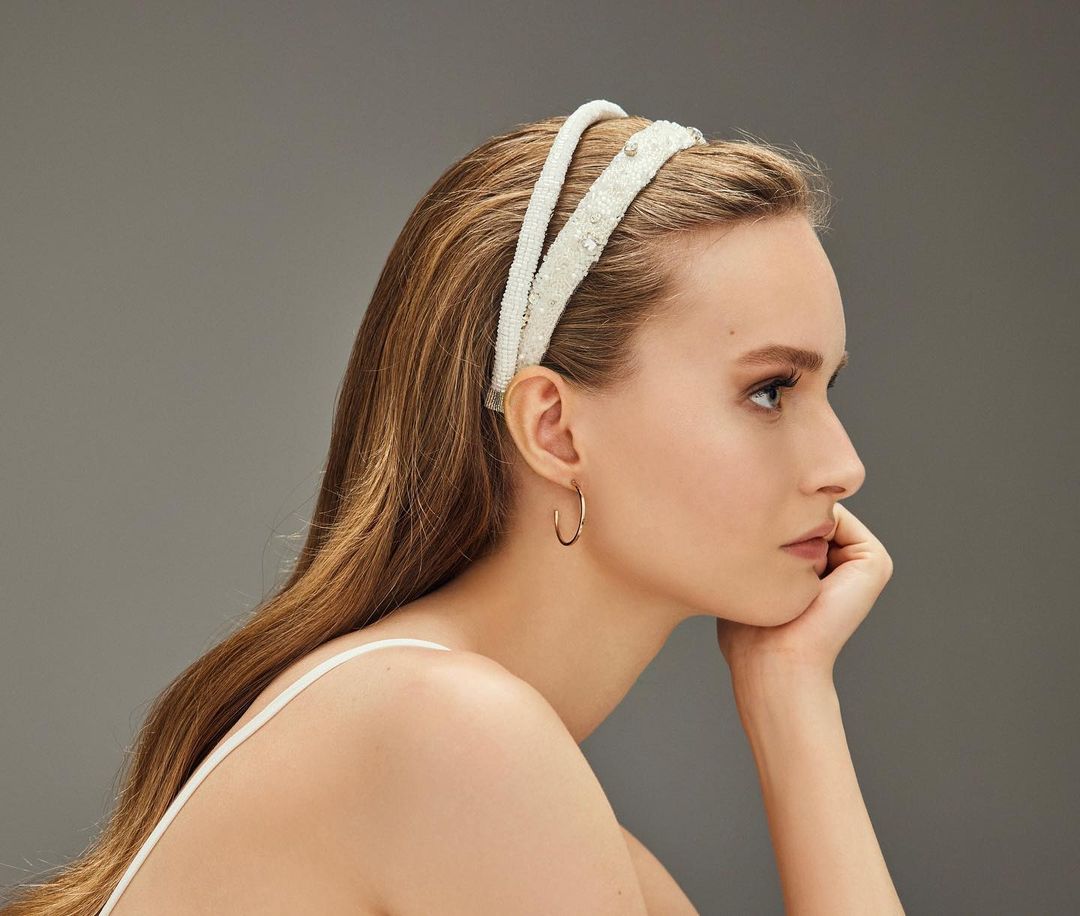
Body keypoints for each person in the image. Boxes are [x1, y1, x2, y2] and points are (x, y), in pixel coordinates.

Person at [2, 99, 903, 915]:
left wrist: (791, 697)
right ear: (554, 429)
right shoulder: (454, 735)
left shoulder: (504, 784)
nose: (845, 466)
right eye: (770, 391)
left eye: (827, 389)